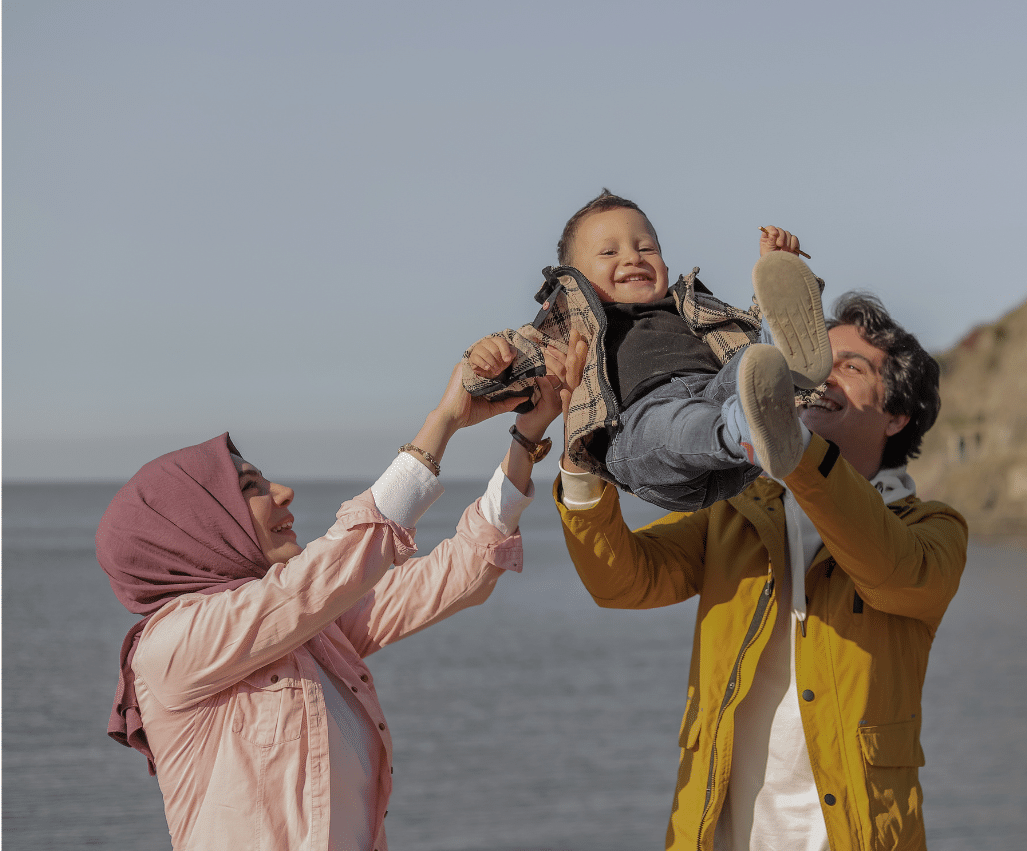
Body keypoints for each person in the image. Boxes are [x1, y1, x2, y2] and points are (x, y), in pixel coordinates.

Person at [555, 291, 968, 850]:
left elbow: (887, 568)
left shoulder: (932, 531)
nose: (823, 375)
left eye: (851, 368)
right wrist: (582, 463)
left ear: (896, 416)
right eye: (813, 358)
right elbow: (622, 581)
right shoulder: (736, 512)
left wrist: (793, 449)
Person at [97, 360, 564, 851]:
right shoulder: (171, 648)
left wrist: (525, 441)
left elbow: (459, 574)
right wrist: (444, 419)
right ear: (198, 526)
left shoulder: (309, 630)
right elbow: (335, 567)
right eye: (251, 488)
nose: (283, 493)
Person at [462, 189, 832, 512]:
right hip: (639, 432)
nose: (633, 258)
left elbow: (744, 335)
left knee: (751, 363)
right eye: (610, 251)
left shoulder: (693, 308)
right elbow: (507, 374)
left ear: (665, 265)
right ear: (575, 279)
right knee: (674, 424)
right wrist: (488, 361)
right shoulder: (570, 328)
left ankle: (782, 365)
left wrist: (778, 269)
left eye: (646, 248)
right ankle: (747, 428)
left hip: (718, 400)